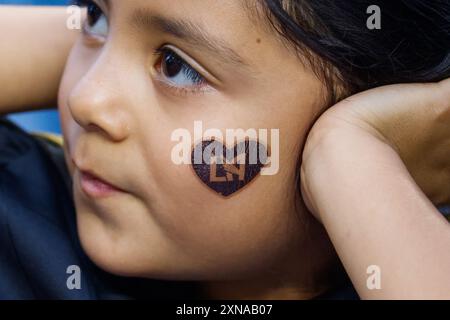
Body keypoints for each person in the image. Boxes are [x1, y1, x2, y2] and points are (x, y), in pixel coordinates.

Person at [0, 0, 448, 299]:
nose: (85, 98)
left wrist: (353, 154)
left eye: (177, 67)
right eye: (93, 15)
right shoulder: (24, 227)